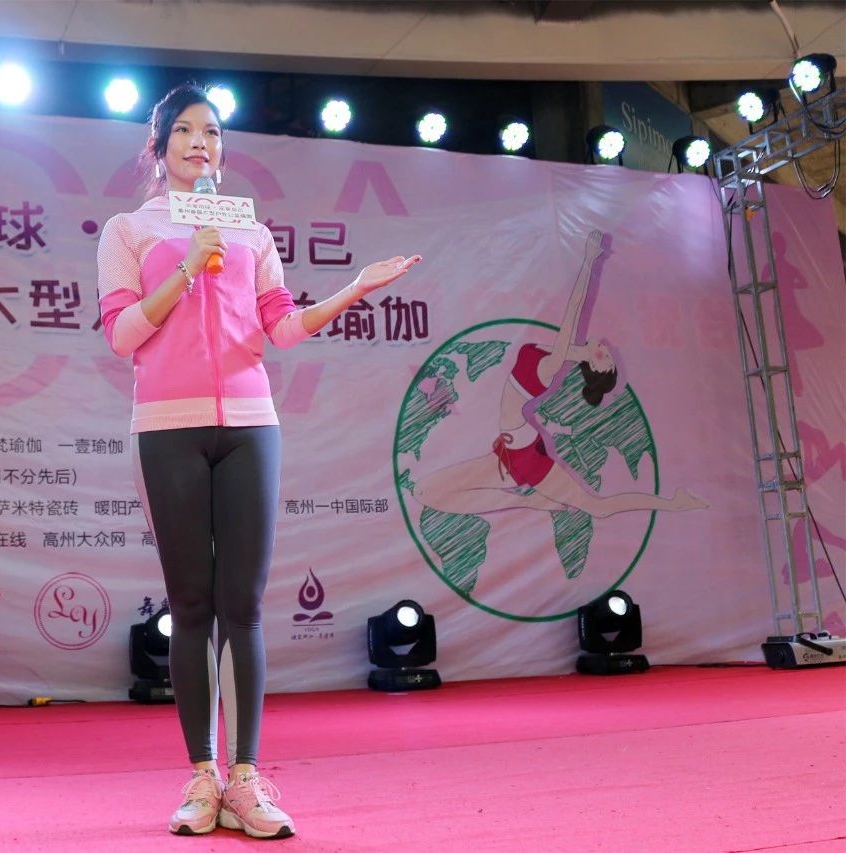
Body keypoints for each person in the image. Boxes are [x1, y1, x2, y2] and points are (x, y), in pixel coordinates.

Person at [96, 83, 421, 839]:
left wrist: (353, 290)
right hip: (168, 426)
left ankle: (244, 780)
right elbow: (122, 335)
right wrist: (186, 268)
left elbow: (281, 328)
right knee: (191, 604)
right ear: (158, 149)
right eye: (185, 131)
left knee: (241, 605)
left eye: (212, 132)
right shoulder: (128, 230)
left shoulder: (250, 233)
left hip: (250, 423)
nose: (200, 143)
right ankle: (201, 777)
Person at [415, 229, 707, 519]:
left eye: (605, 359)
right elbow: (573, 340)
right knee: (423, 492)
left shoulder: (552, 364)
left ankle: (674, 503)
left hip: (525, 455)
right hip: (511, 451)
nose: (606, 350)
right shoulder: (563, 354)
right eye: (609, 355)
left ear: (595, 367)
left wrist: (589, 261)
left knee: (597, 508)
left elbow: (575, 307)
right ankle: (529, 502)